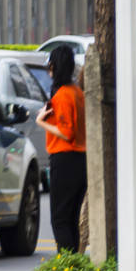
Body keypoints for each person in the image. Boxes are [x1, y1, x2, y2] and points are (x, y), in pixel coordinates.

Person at [39, 44, 87, 253]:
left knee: (60, 219)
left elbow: (67, 133)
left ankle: (67, 265)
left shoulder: (63, 95)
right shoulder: (77, 92)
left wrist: (41, 122)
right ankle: (73, 264)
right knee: (71, 218)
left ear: (54, 66)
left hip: (65, 158)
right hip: (81, 159)